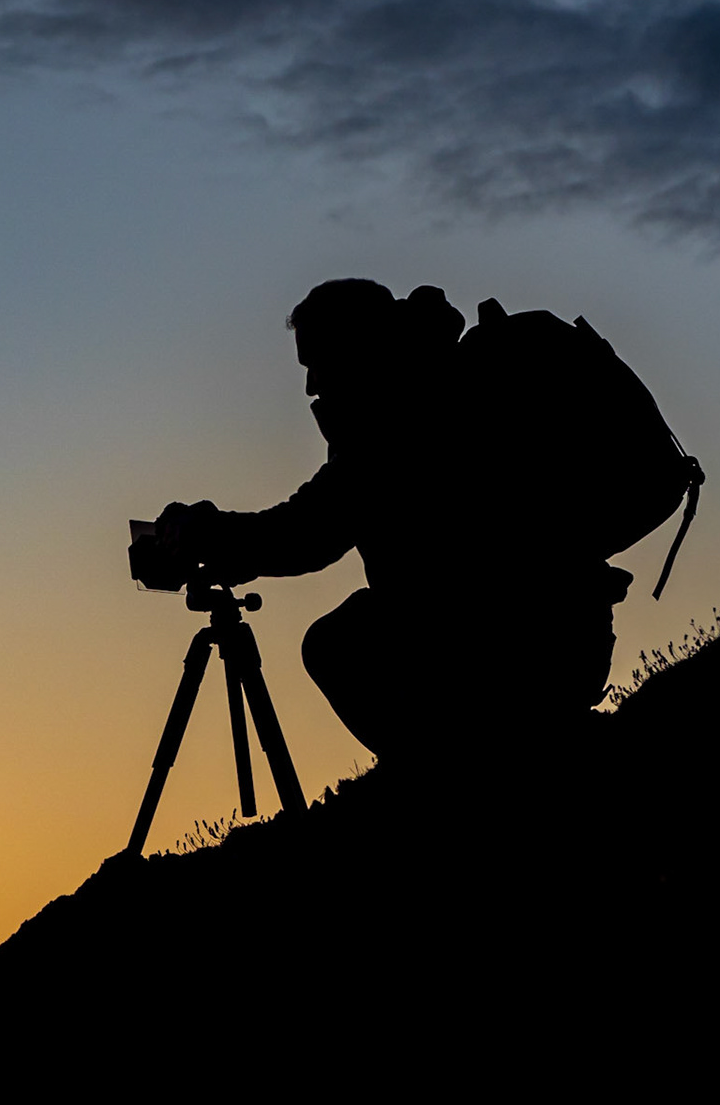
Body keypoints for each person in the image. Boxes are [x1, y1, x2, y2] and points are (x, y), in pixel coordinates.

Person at [155, 278, 628, 763]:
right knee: (366, 620)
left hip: (516, 649)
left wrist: (206, 532)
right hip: (568, 635)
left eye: (317, 362)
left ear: (355, 347)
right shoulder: (442, 381)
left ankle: (465, 777)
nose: (311, 384)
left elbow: (306, 534)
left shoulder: (402, 416)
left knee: (334, 645)